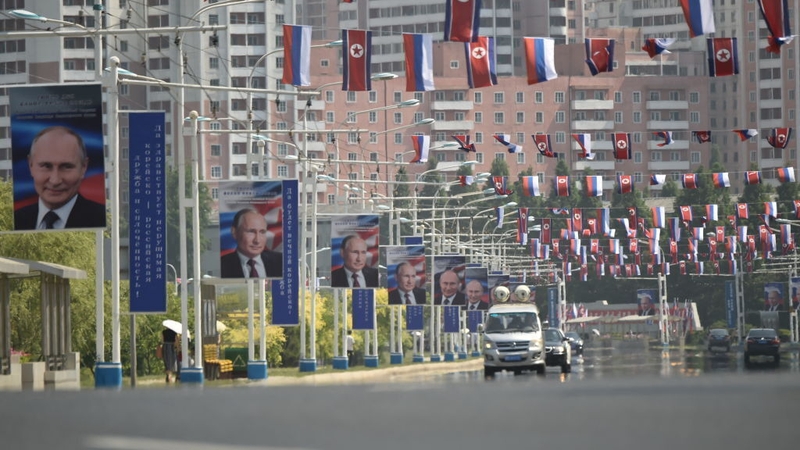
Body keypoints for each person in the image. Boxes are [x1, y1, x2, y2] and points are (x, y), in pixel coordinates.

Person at [14, 126, 106, 230]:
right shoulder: (16, 220)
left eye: (66, 167)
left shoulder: (103, 219)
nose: (55, 180)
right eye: (46, 166)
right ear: (30, 165)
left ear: (84, 167)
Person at [220, 208, 282, 278]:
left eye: (262, 232)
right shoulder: (221, 265)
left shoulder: (281, 261)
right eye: (251, 231)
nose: (257, 240)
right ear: (234, 232)